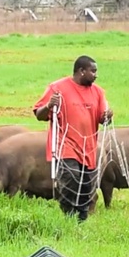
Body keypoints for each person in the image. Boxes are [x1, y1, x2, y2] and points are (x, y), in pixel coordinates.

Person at [33, 55, 114, 222]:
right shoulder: (57, 88)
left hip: (89, 147)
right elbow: (39, 115)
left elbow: (103, 120)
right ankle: (68, 218)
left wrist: (108, 116)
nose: (96, 75)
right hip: (65, 145)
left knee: (86, 187)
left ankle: (81, 220)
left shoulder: (98, 92)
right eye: (93, 71)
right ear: (81, 71)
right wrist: (49, 105)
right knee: (71, 181)